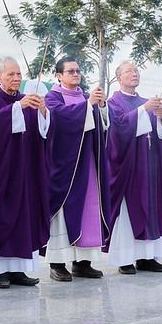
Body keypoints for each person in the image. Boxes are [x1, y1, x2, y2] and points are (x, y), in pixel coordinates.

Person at [0, 56, 50, 289]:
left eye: (18, 74)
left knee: (22, 218)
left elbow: (42, 133)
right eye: (10, 74)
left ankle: (17, 269)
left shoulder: (28, 100)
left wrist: (43, 110)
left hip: (23, 171)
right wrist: (19, 107)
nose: (16, 78)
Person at [44, 57, 111, 282]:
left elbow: (102, 127)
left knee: (88, 211)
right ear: (59, 76)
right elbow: (59, 122)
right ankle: (57, 263)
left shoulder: (85, 96)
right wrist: (88, 105)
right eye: (70, 71)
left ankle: (83, 263)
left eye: (78, 71)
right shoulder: (52, 97)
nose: (76, 74)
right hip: (65, 166)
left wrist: (101, 107)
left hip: (88, 164)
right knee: (63, 212)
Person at [105, 62, 162, 275]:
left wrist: (161, 118)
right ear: (119, 78)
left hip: (150, 165)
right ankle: (125, 259)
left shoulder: (146, 102)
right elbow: (117, 130)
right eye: (129, 71)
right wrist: (144, 110)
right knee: (130, 210)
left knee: (151, 207)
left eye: (136, 71)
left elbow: (161, 134)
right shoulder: (113, 103)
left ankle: (147, 258)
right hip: (129, 168)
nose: (134, 74)